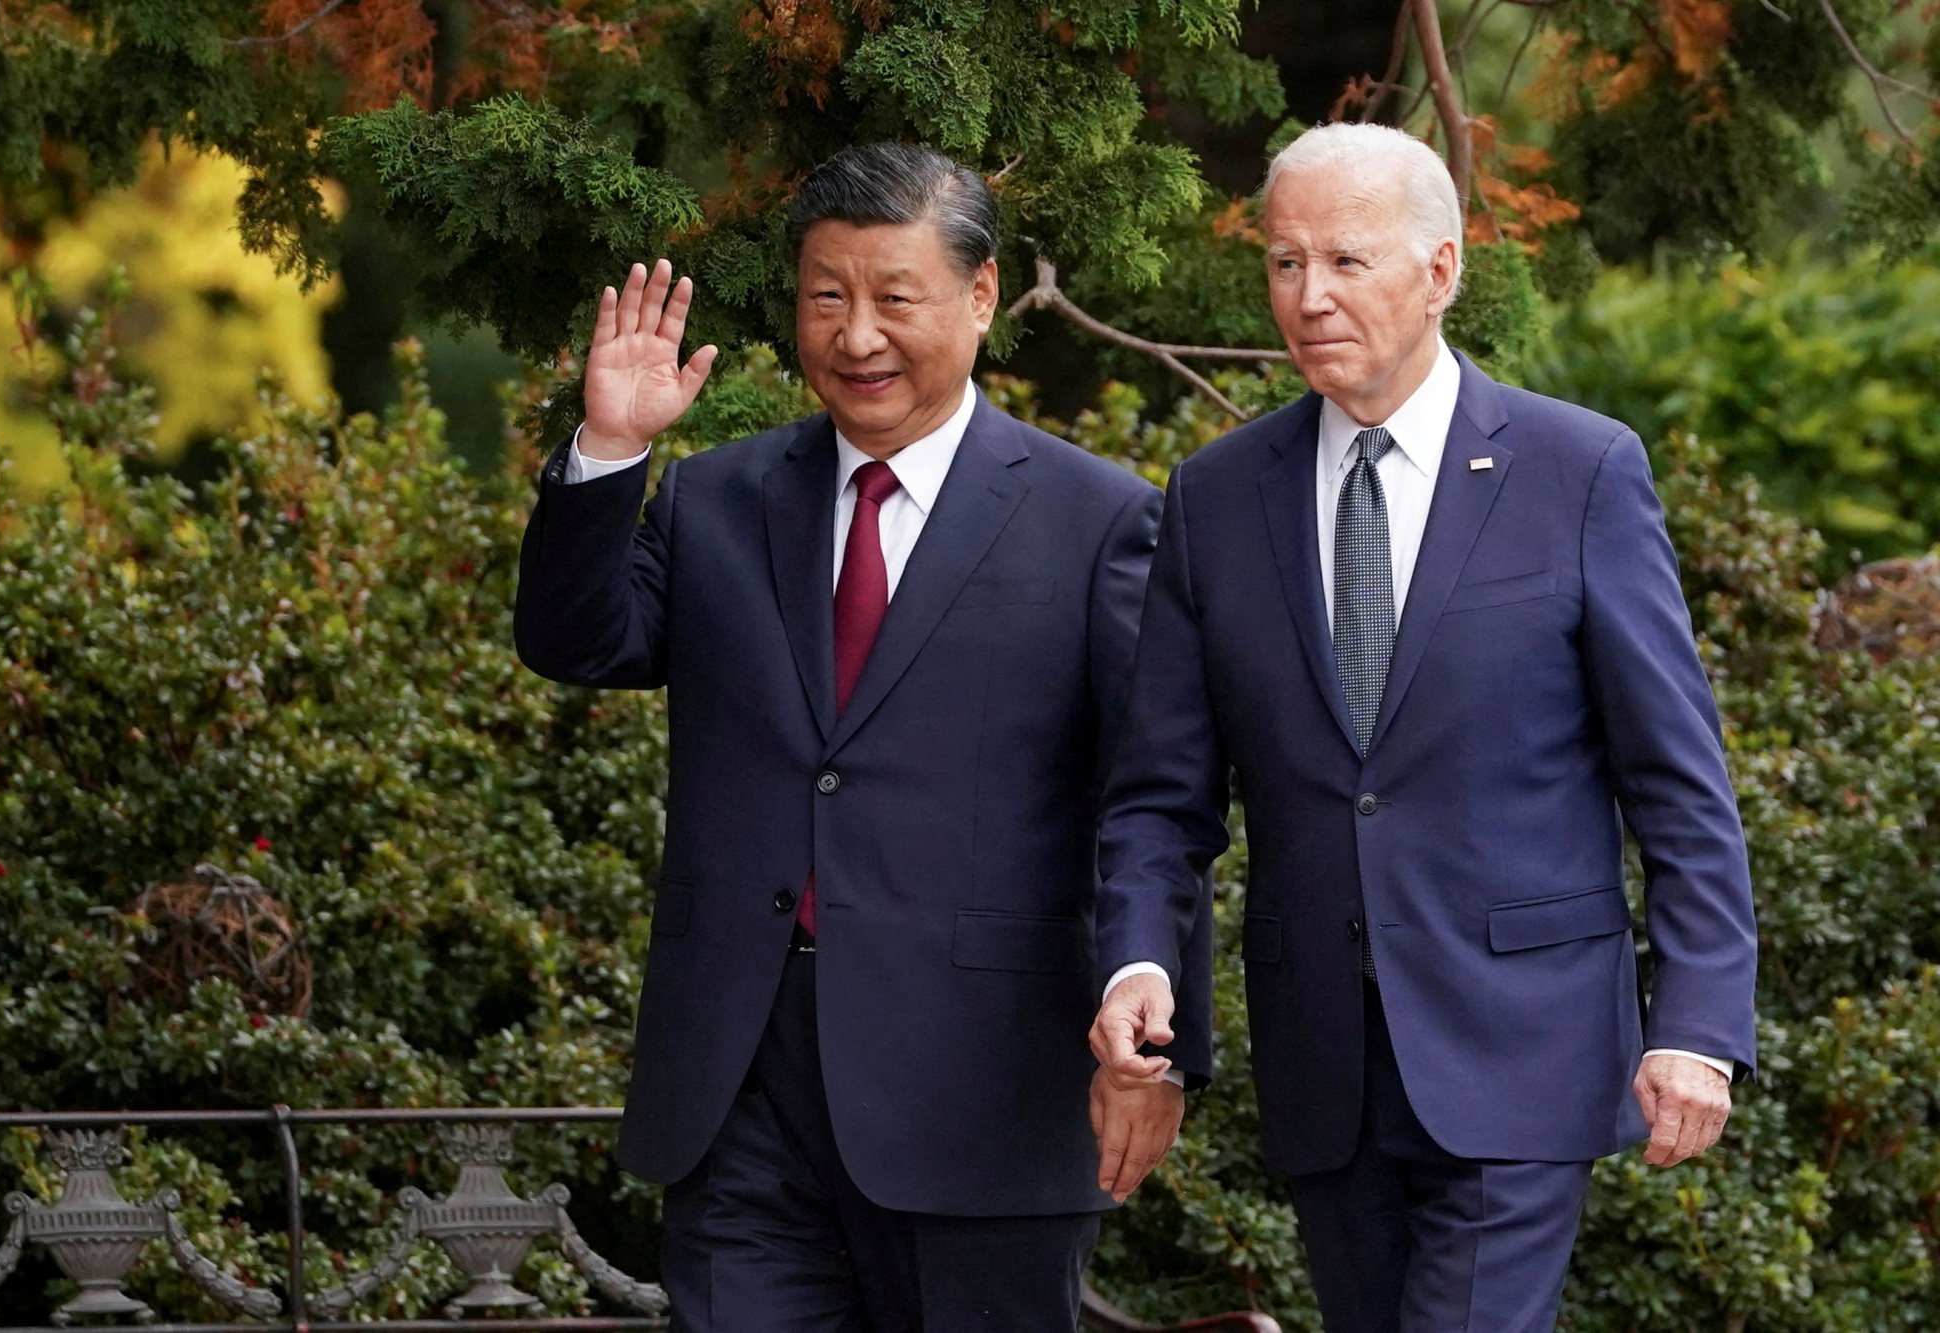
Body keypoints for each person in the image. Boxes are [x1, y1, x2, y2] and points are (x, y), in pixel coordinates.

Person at [514, 141, 1204, 1332]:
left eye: (894, 298)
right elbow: (577, 642)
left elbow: (1151, 799)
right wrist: (613, 451)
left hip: (980, 1090)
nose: (856, 335)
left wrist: (1158, 1035)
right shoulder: (715, 500)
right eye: (825, 297)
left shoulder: (1100, 523)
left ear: (980, 296)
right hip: (741, 1081)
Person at [1087, 122, 1758, 1332]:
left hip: (1521, 1049)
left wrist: (1699, 1022)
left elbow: (1676, 780)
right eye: (1283, 264)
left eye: (1345, 261)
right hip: (1323, 1067)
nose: (1307, 296)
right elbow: (1159, 796)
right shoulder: (1215, 497)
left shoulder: (1579, 471)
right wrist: (1136, 960)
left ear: (1439, 270)